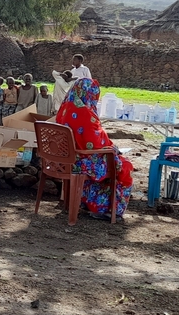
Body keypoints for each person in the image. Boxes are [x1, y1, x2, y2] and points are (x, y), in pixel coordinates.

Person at [56, 79, 134, 219]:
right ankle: (110, 209)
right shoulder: (85, 113)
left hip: (64, 160)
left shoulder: (63, 109)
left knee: (110, 160)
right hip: (81, 162)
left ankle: (90, 204)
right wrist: (112, 148)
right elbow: (94, 143)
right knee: (125, 165)